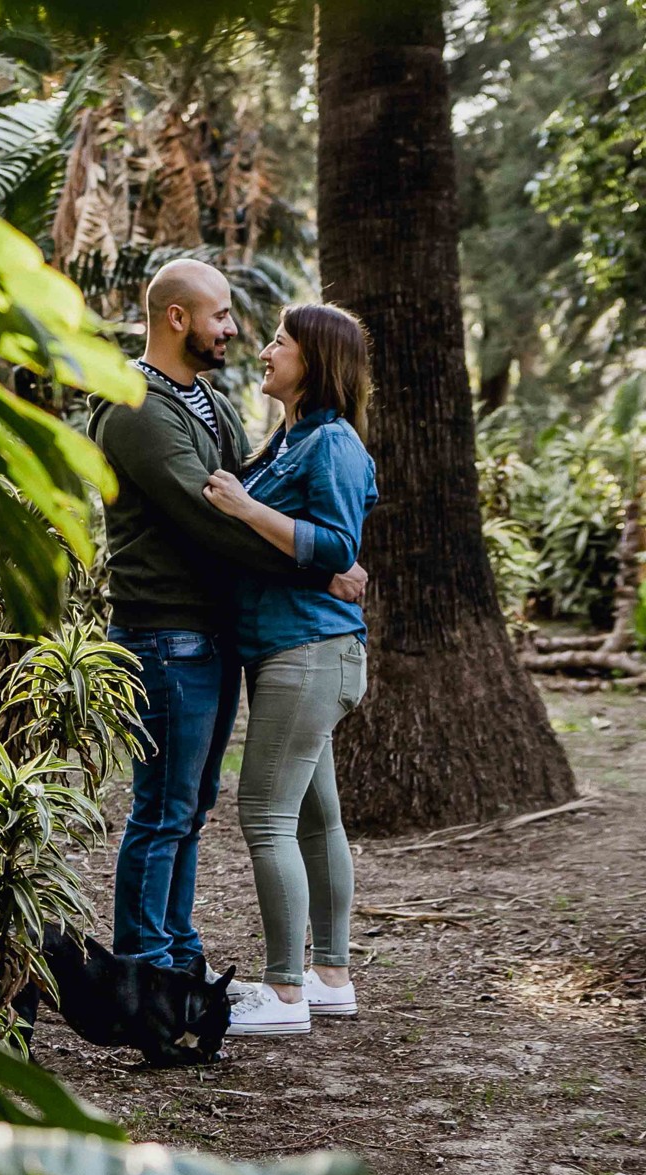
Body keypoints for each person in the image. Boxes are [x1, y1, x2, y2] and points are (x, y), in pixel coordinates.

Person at [89, 260, 366, 979]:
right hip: (165, 634)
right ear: (177, 318)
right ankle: (147, 967)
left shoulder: (204, 399)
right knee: (163, 811)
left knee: (190, 808)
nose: (235, 330)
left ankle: (178, 957)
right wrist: (320, 564)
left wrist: (306, 547)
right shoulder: (137, 408)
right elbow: (209, 519)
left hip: (208, 637)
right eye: (221, 315)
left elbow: (255, 497)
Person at [201, 303, 379, 1036]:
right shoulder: (290, 438)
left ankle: (282, 994)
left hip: (308, 652)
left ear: (315, 361)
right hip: (298, 648)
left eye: (281, 341)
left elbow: (338, 545)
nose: (266, 349)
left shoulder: (330, 440)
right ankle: (329, 976)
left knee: (265, 814)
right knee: (314, 815)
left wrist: (246, 510)